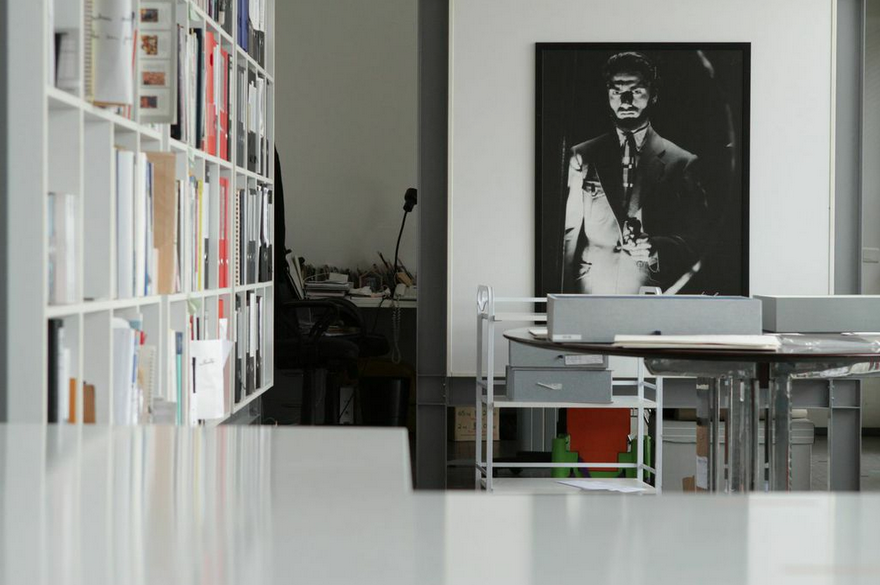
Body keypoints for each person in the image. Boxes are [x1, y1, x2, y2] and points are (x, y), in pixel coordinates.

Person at [562, 51, 708, 294]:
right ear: (607, 95)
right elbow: (568, 233)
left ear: (654, 94)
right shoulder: (582, 156)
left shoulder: (682, 162)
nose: (626, 100)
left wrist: (657, 248)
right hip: (590, 290)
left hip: (649, 292)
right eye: (617, 91)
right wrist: (564, 294)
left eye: (636, 90)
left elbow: (697, 239)